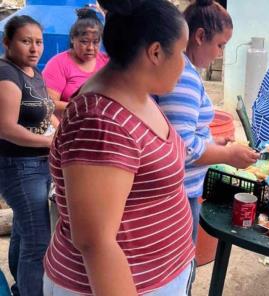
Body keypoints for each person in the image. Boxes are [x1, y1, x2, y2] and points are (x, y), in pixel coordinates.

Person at [42, 1, 196, 295]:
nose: (185, 64)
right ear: (155, 52)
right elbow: (94, 241)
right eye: (181, 53)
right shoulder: (100, 121)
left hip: (160, 274)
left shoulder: (137, 95)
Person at [154, 0, 258, 243]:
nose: (220, 54)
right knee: (181, 269)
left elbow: (177, 132)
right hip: (176, 194)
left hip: (179, 190)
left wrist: (214, 141)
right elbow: (183, 148)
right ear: (200, 36)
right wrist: (229, 155)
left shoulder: (184, 71)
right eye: (220, 45)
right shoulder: (183, 77)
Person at [0, 15, 56, 296]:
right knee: (38, 242)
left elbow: (46, 114)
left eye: (39, 42)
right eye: (26, 41)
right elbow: (6, 128)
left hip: (37, 164)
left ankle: (20, 285)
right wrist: (49, 143)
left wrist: (60, 130)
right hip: (18, 167)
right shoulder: (6, 73)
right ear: (7, 42)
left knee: (24, 228)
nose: (34, 48)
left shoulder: (35, 73)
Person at [42, 7, 108, 115]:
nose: (90, 47)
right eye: (84, 42)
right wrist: (87, 107)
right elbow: (48, 104)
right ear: (73, 39)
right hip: (68, 124)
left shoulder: (106, 62)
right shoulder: (59, 63)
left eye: (96, 42)